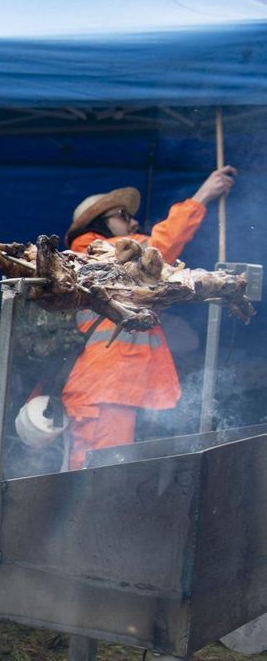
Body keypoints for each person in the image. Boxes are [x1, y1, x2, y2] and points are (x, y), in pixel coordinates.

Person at [61, 166, 237, 470]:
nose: (133, 222)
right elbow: (156, 250)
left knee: (111, 475)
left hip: (116, 390)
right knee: (101, 478)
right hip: (105, 390)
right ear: (97, 223)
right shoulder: (89, 249)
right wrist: (202, 197)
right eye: (123, 215)